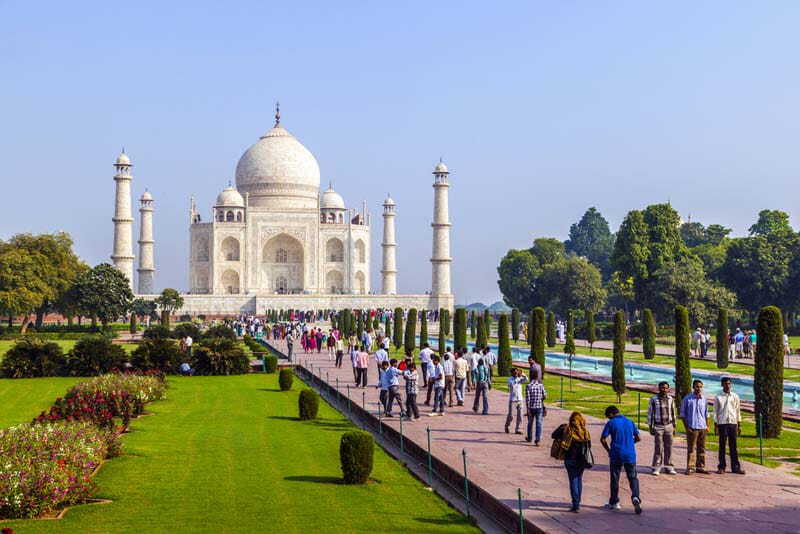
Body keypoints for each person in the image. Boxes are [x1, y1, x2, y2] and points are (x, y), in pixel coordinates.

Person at [600, 405, 642, 514]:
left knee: (615, 478)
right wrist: (629, 443)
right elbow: (638, 438)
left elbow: (603, 439)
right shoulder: (630, 422)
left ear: (611, 414)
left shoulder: (611, 423)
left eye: (608, 417)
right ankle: (635, 497)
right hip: (630, 454)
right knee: (633, 477)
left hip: (616, 453)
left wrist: (608, 450)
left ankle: (614, 502)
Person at [551, 412, 592, 512]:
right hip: (582, 460)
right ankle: (577, 501)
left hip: (570, 459)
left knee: (573, 480)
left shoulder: (567, 430)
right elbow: (589, 446)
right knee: (579, 479)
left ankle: (576, 504)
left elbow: (553, 435)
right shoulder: (585, 432)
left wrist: (562, 426)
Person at [714, 377, 745, 475]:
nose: (727, 385)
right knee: (722, 446)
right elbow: (715, 411)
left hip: (733, 423)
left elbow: (738, 411)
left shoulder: (735, 396)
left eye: (729, 384)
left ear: (731, 385)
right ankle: (721, 467)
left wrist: (739, 425)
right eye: (725, 384)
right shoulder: (718, 397)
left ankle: (735, 467)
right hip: (722, 423)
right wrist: (716, 425)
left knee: (733, 446)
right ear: (722, 385)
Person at [680, 379, 710, 474]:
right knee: (691, 448)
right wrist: (687, 427)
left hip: (702, 426)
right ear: (693, 387)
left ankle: (701, 467)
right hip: (692, 427)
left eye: (701, 387)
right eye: (697, 386)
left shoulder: (704, 399)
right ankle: (690, 467)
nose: (699, 388)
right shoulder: (687, 399)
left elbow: (706, 414)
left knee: (702, 448)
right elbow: (683, 415)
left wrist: (707, 426)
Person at [647, 381, 677, 476]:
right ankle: (656, 467)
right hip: (658, 426)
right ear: (659, 388)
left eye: (666, 388)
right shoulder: (653, 399)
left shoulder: (670, 399)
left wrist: (674, 426)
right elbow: (650, 413)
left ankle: (669, 466)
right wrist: (650, 426)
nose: (664, 390)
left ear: (668, 389)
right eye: (662, 388)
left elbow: (673, 412)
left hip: (669, 425)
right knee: (658, 447)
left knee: (669, 447)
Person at [525, 369, 546, 444]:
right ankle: (537, 439)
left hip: (531, 407)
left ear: (531, 377)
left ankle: (529, 437)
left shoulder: (528, 386)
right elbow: (545, 396)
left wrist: (527, 409)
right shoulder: (541, 385)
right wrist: (541, 399)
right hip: (539, 407)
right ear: (537, 377)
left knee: (530, 423)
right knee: (539, 423)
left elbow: (527, 399)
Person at [505, 368, 528, 434]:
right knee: (511, 415)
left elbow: (526, 379)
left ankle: (518, 429)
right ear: (512, 373)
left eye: (516, 372)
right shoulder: (510, 380)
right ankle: (507, 426)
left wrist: (522, 374)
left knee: (520, 415)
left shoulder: (520, 378)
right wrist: (517, 379)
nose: (516, 373)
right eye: (514, 372)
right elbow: (511, 385)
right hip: (512, 400)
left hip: (520, 399)